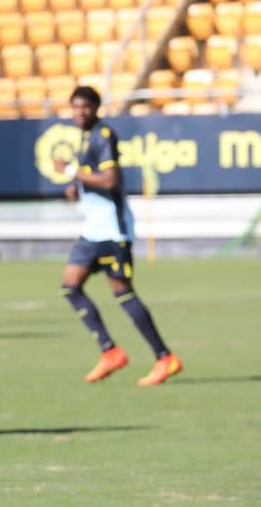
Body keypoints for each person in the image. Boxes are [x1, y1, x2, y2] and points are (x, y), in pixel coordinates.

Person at [55, 87, 182, 386]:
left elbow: (111, 180)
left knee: (123, 293)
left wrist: (73, 172)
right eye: (75, 107)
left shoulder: (104, 135)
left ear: (96, 108)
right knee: (70, 287)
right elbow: (95, 180)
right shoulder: (87, 138)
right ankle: (110, 351)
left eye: (85, 107)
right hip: (93, 231)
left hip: (112, 232)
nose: (79, 113)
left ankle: (165, 357)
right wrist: (79, 189)